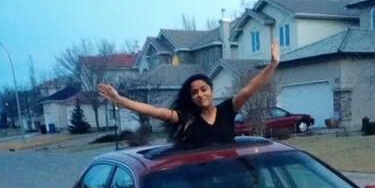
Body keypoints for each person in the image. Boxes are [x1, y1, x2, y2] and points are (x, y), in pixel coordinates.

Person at [98, 42, 280, 148]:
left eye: (203, 89)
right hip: (199, 182)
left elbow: (248, 90)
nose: (200, 94)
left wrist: (272, 65)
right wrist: (119, 99)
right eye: (194, 92)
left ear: (211, 90)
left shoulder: (227, 110)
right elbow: (154, 111)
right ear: (191, 97)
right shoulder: (185, 118)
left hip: (229, 173)